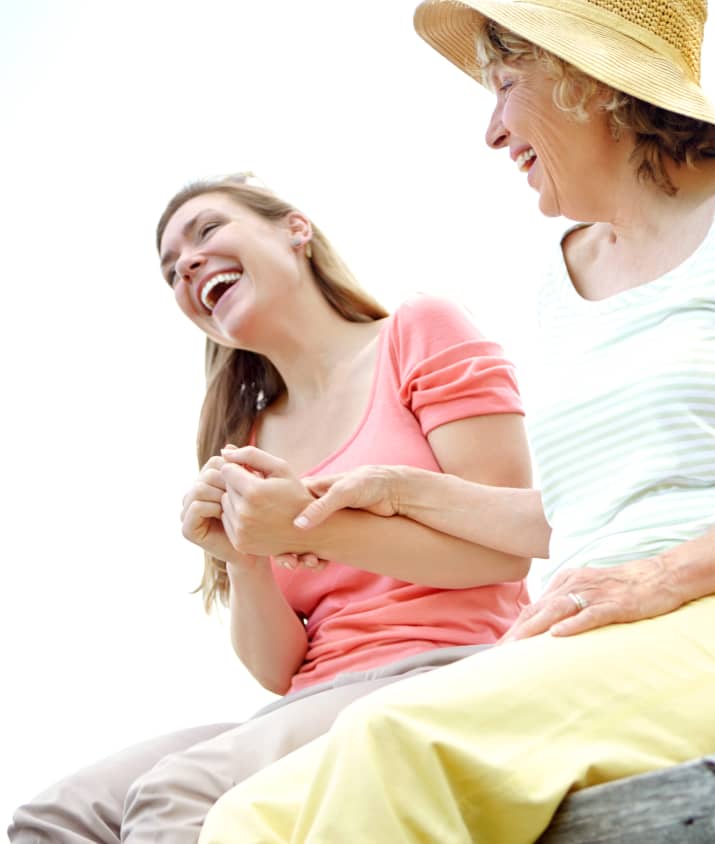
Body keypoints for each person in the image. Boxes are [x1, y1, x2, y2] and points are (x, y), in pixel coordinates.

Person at [200, 1, 715, 840]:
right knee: (252, 816)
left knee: (397, 739)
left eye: (504, 84)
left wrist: (657, 579)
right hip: (595, 646)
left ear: (589, 81)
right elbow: (571, 515)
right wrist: (397, 490)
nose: (492, 132)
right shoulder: (560, 279)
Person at [8, 174, 532, 844]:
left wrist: (311, 527)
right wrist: (243, 558)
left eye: (207, 231)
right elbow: (278, 670)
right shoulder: (247, 441)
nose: (187, 264)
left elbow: (506, 547)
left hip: (452, 666)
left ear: (295, 229)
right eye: (170, 270)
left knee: (178, 794)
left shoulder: (416, 332)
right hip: (314, 701)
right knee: (55, 819)